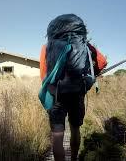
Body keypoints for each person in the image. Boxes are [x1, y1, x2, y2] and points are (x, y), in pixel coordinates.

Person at [40, 14, 97, 161]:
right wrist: (89, 75)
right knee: (75, 129)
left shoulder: (47, 47)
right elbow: (102, 62)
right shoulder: (86, 46)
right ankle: (73, 158)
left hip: (56, 95)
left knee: (57, 136)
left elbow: (43, 74)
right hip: (77, 93)